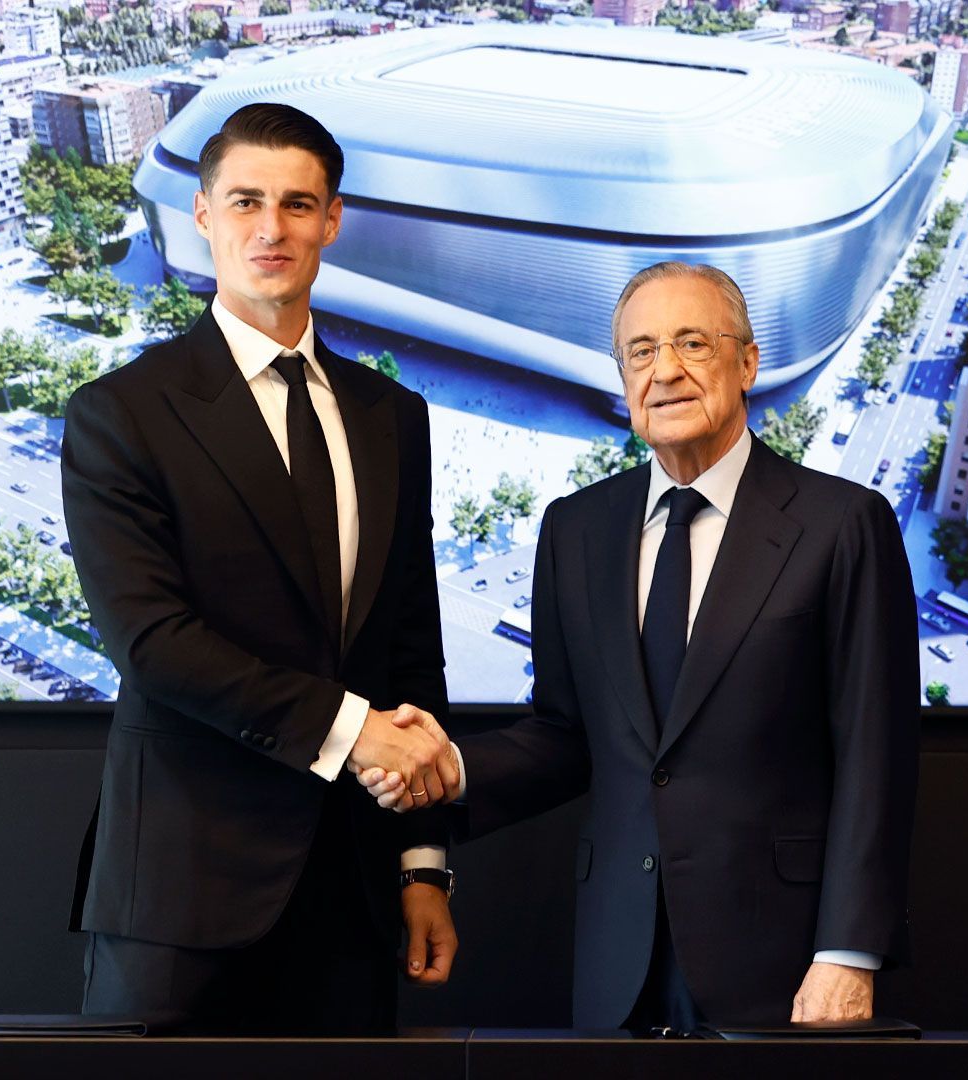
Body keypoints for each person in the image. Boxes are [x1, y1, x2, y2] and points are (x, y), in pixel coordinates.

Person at [362, 262, 919, 1030]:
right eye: (642, 351)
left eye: (693, 342)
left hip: (784, 965)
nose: (667, 371)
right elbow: (565, 734)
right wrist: (452, 767)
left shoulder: (843, 524)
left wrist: (848, 955)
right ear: (623, 378)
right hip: (615, 961)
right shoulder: (574, 529)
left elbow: (875, 758)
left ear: (747, 363)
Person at [60, 102, 459, 1035]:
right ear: (203, 214)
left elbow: (411, 653)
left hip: (355, 895)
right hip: (181, 899)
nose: (270, 228)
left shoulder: (391, 417)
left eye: (296, 203)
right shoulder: (122, 414)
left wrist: (422, 864)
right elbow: (153, 646)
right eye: (246, 201)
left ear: (331, 220)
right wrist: (354, 732)